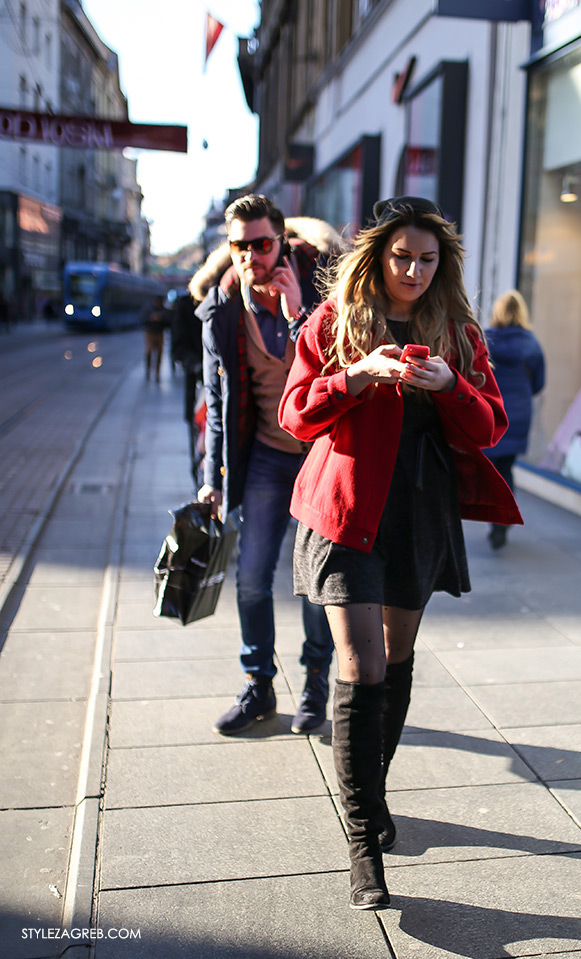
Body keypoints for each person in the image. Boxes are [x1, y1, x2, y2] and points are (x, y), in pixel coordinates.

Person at [278, 196, 522, 910]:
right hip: (346, 511)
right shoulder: (336, 320)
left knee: (397, 655)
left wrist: (452, 387)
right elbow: (297, 413)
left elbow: (491, 425)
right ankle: (362, 845)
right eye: (401, 256)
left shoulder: (458, 331)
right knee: (360, 663)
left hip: (417, 514)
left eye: (426, 259)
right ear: (377, 255)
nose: (413, 270)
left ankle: (371, 789)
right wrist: (357, 376)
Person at [193, 194, 344, 736]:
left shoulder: (327, 287)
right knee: (253, 578)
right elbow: (216, 402)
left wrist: (299, 312)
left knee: (312, 584)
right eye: (240, 246)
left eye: (261, 244)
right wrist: (212, 480)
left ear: (281, 242)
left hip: (319, 461)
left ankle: (315, 684)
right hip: (262, 461)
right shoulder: (223, 309)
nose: (251, 256)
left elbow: (344, 366)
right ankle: (258, 685)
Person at [484, 289, 545, 549]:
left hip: (492, 412)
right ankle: (502, 523)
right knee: (507, 469)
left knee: (490, 470)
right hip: (518, 415)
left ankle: (494, 520)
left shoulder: (486, 340)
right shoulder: (530, 343)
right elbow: (539, 382)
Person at [142, 294, 168, 382]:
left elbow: (169, 321)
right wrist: (151, 318)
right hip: (149, 333)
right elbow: (142, 319)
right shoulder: (148, 309)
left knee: (159, 354)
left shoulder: (164, 310)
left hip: (159, 333)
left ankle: (157, 372)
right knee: (149, 352)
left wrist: (161, 318)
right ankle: (148, 370)